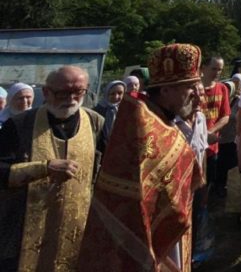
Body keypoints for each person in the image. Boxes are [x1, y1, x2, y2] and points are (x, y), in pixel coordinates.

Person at [78, 44, 205, 271]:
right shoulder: (140, 122)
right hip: (144, 247)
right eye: (189, 87)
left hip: (171, 238)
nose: (197, 95)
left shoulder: (163, 119)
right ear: (165, 90)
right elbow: (136, 206)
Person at [0, 67, 104, 271]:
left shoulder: (95, 123)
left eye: (79, 92)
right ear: (46, 92)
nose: (71, 99)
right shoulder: (20, 124)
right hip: (23, 229)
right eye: (63, 93)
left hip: (78, 230)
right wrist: (43, 168)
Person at [175, 82, 212, 265]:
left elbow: (202, 150)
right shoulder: (172, 121)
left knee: (194, 221)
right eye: (193, 95)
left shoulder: (201, 118)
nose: (198, 99)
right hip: (176, 185)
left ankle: (188, 260)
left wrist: (203, 180)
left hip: (195, 183)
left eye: (202, 94)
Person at [200, 55, 231, 197]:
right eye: (214, 69)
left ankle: (204, 209)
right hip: (193, 146)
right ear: (203, 68)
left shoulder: (222, 88)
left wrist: (209, 132)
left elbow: (225, 116)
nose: (217, 72)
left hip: (211, 146)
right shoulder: (195, 88)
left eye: (220, 70)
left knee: (208, 181)